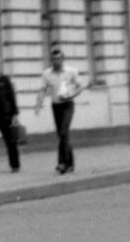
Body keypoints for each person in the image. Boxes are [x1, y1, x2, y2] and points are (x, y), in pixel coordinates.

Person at [35, 45, 90, 174]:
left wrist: (72, 94)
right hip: (56, 106)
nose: (56, 61)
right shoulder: (47, 74)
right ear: (51, 60)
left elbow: (81, 86)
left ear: (63, 59)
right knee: (61, 134)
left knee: (64, 132)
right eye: (53, 59)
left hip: (67, 105)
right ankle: (70, 163)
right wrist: (38, 104)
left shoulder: (71, 71)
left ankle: (62, 163)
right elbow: (43, 90)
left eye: (58, 58)